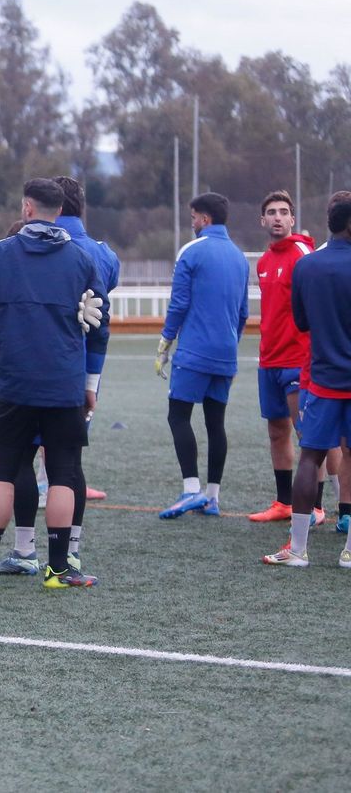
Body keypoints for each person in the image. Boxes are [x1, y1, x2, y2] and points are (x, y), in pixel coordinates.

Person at [0, 177, 103, 589]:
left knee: (5, 470)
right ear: (62, 212)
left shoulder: (0, 253)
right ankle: (60, 569)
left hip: (17, 381)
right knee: (64, 473)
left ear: (27, 208)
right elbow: (97, 314)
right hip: (65, 381)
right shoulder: (82, 258)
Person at [0, 175, 120, 575]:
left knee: (21, 461)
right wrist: (91, 382)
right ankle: (69, 553)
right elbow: (101, 316)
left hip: (27, 371)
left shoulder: (24, 246)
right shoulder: (101, 254)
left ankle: (24, 549)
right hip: (78, 376)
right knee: (67, 464)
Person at [262, 196, 351, 569]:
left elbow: (300, 321)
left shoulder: (307, 265)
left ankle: (298, 549)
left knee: (310, 456)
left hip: (321, 379)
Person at [155, 192, 250, 519]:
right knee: (215, 423)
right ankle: (212, 498)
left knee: (178, 415)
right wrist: (229, 346)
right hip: (226, 353)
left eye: (194, 217)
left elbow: (179, 304)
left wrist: (165, 344)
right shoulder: (239, 257)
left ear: (205, 219)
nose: (192, 223)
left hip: (194, 350)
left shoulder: (191, 251)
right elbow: (242, 313)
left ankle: (190, 490)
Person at [248, 192, 319, 524]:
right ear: (263, 221)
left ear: (293, 219)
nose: (277, 217)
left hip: (297, 359)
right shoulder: (262, 262)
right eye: (271, 212)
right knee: (277, 431)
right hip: (269, 360)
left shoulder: (303, 255)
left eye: (284, 212)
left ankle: (317, 506)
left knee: (309, 435)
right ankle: (284, 502)